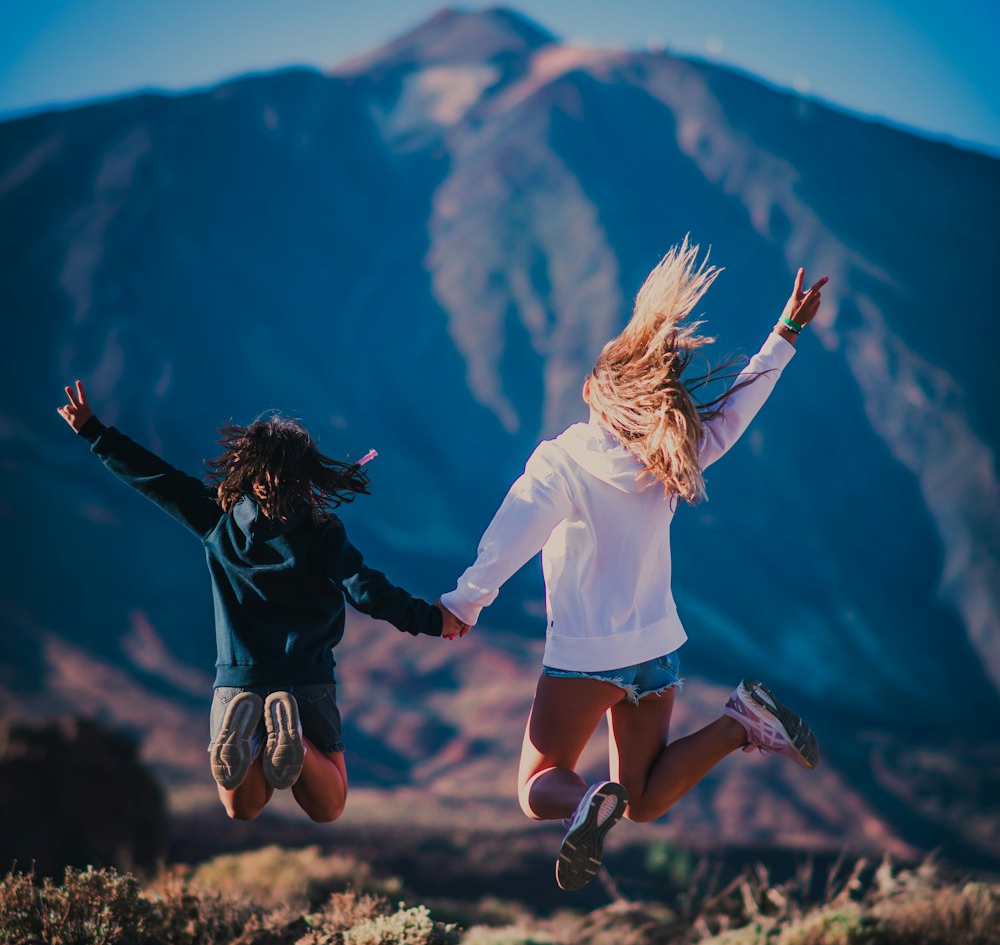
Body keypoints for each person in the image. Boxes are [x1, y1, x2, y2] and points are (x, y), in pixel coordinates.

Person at [440, 243, 828, 889]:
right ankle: (742, 722)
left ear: (593, 390)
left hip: (585, 657)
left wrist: (464, 603)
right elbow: (733, 413)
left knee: (538, 785)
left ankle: (584, 804)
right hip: (657, 652)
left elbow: (512, 536)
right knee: (643, 799)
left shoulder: (559, 461)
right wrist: (784, 335)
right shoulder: (670, 455)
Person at [57, 386, 464, 823]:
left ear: (246, 469)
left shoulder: (217, 519)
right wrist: (433, 619)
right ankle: (296, 745)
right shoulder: (322, 532)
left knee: (241, 806)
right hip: (305, 681)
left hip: (237, 683)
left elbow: (157, 479)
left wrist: (95, 433)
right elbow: (368, 590)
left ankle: (249, 742)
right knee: (330, 805)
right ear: (306, 473)